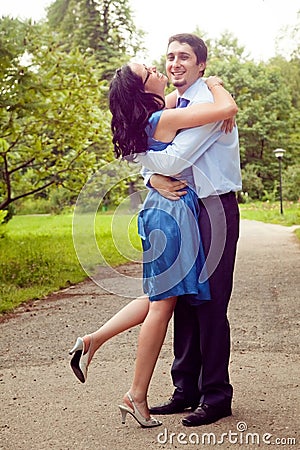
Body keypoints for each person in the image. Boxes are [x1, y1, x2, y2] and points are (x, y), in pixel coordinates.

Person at [69, 60, 238, 428]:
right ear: (145, 90)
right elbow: (225, 110)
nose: (160, 67)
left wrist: (150, 177)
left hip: (169, 208)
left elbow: (151, 150)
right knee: (162, 305)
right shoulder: (165, 118)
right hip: (173, 213)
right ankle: (136, 395)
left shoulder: (164, 111)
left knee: (163, 295)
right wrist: (217, 84)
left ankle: (93, 341)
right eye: (151, 70)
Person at [137, 33, 242, 427]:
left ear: (202, 65)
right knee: (183, 297)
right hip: (183, 205)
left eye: (184, 57)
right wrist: (151, 179)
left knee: (211, 301)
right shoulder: (175, 103)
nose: (175, 63)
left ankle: (216, 395)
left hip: (215, 206)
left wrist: (150, 171)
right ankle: (185, 389)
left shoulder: (209, 104)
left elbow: (176, 156)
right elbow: (154, 156)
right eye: (170, 57)